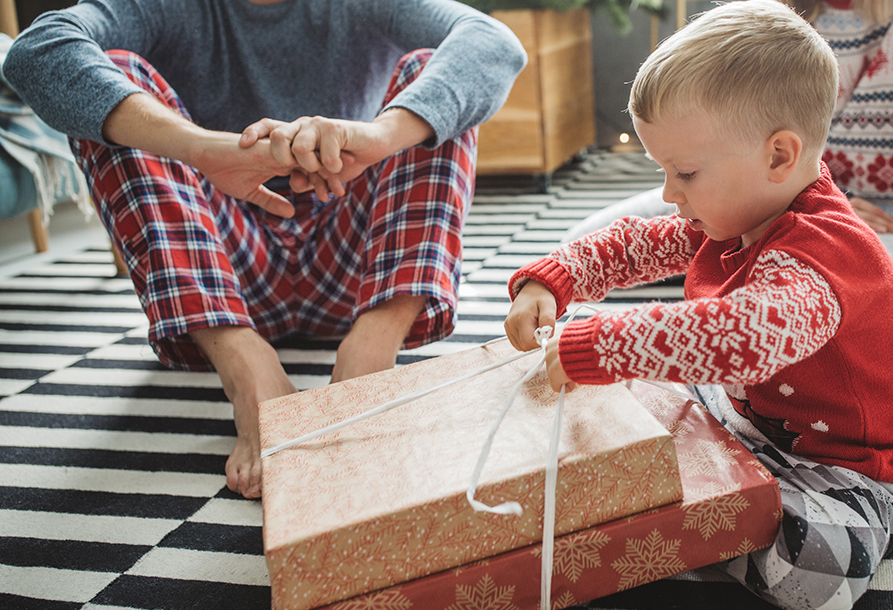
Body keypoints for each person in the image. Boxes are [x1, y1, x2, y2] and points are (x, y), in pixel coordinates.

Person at [506, 0, 893, 610]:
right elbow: (637, 243)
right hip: (748, 423)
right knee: (638, 403)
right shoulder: (740, 211)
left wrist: (604, 344)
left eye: (684, 172)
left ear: (779, 157)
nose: (668, 193)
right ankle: (712, 497)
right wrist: (554, 280)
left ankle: (693, 514)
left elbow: (745, 339)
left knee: (817, 574)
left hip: (850, 471)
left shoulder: (822, 256)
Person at [3, 0, 527, 498]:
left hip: (357, 271)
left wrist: (378, 135)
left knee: (435, 71)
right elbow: (35, 51)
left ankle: (372, 351)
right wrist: (202, 148)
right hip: (224, 276)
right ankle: (246, 370)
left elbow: (494, 45)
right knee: (113, 77)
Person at [564, 0, 893, 359]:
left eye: (682, 176)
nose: (669, 190)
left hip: (890, 217)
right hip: (767, 187)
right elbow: (743, 139)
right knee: (581, 243)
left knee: (850, 324)